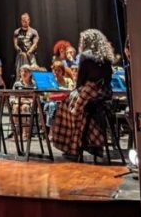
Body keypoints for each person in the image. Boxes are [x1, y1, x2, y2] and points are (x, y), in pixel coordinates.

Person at [51, 29, 115, 160]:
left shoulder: (85, 56)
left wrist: (77, 90)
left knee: (66, 106)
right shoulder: (107, 57)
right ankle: (91, 144)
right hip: (104, 94)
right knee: (84, 113)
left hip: (89, 92)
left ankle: (73, 147)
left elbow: (80, 81)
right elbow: (108, 79)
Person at [43, 61, 75, 130]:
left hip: (65, 103)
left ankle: (53, 130)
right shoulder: (50, 81)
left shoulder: (68, 80)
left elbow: (71, 90)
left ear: (62, 72)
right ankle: (51, 128)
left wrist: (59, 90)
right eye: (55, 70)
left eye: (59, 70)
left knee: (55, 105)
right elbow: (46, 95)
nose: (56, 72)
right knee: (52, 105)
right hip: (51, 102)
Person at [11, 65, 36, 140]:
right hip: (18, 102)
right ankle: (16, 133)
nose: (23, 73)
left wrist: (27, 100)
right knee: (16, 107)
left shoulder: (34, 84)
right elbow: (12, 96)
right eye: (22, 71)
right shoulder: (17, 84)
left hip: (29, 104)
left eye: (26, 71)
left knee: (25, 107)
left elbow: (38, 96)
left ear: (30, 73)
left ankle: (25, 133)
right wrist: (14, 101)